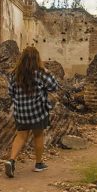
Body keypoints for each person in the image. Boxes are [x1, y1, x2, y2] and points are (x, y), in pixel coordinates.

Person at [4, 46, 58, 178]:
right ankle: (38, 164)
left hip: (21, 112)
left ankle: (11, 160)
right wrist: (46, 71)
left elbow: (11, 93)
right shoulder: (41, 72)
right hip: (38, 111)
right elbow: (54, 86)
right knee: (38, 135)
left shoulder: (14, 74)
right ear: (37, 59)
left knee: (21, 135)